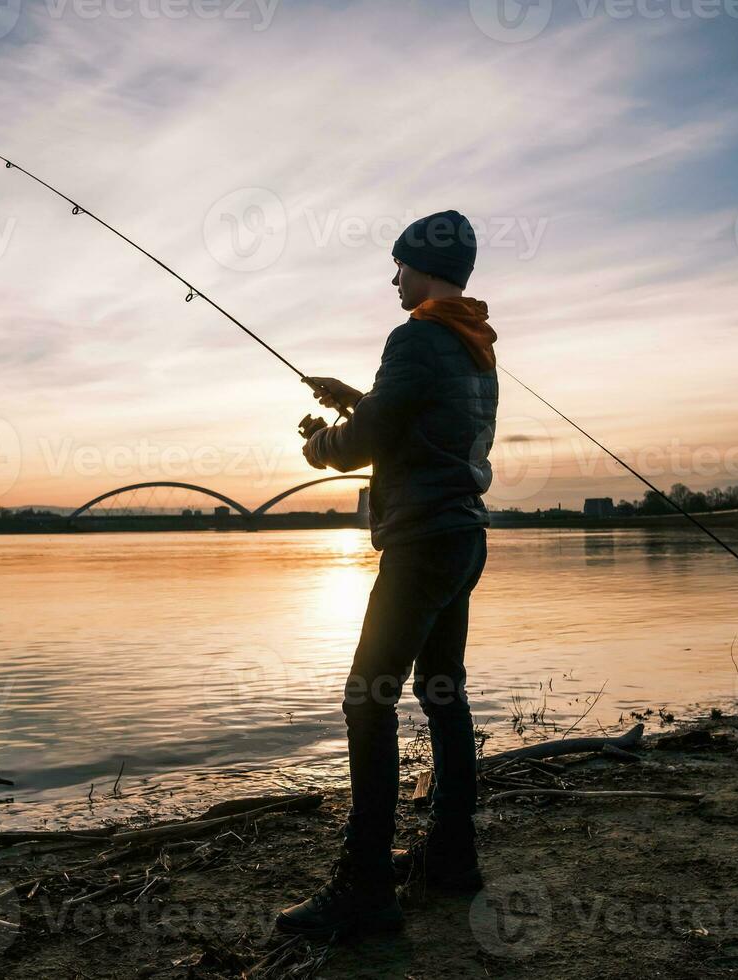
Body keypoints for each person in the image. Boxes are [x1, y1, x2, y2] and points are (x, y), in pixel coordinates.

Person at [275, 210, 499, 938]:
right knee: (442, 693)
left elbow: (364, 443)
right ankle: (452, 858)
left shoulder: (415, 336)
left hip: (425, 542)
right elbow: (421, 428)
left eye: (398, 265)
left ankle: (365, 887)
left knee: (366, 699)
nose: (391, 277)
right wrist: (358, 399)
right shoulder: (474, 345)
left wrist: (321, 444)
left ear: (422, 267)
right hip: (462, 538)